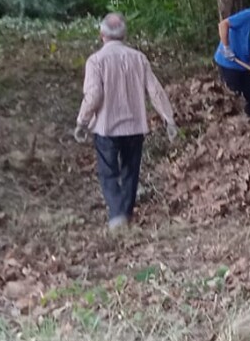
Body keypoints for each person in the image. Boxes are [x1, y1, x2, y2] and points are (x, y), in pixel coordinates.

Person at [74, 12, 177, 230]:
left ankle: (117, 214)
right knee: (131, 172)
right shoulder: (139, 58)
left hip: (106, 128)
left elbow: (93, 95)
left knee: (108, 172)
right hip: (134, 127)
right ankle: (126, 215)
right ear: (124, 34)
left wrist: (82, 121)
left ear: (102, 34)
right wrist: (168, 119)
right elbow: (155, 91)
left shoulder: (96, 61)